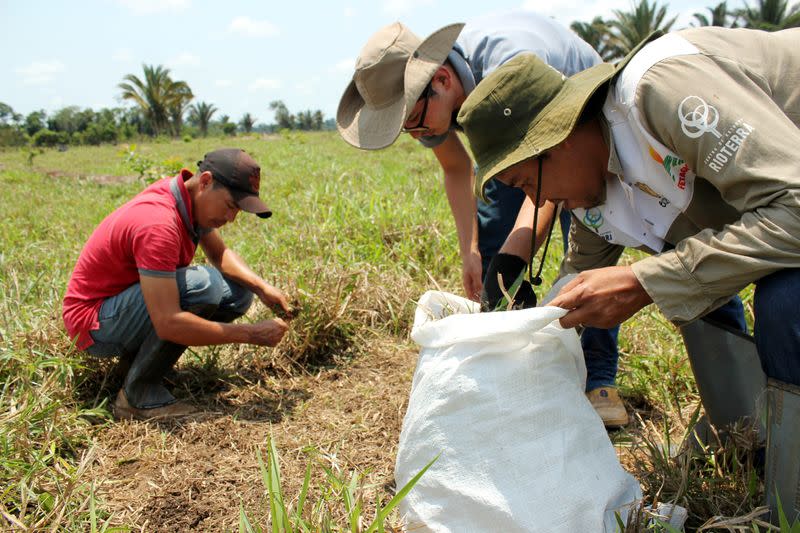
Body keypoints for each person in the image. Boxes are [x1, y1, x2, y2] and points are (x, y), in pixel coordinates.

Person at [456, 26, 800, 522]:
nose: (541, 203)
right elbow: (572, 289)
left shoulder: (662, 92)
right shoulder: (598, 192)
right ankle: (752, 438)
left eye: (525, 182)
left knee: (786, 302)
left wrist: (646, 282)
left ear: (557, 139)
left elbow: (794, 208)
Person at [337, 10, 631, 427]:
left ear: (440, 80)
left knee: (586, 246)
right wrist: (472, 251)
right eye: (405, 129)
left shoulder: (512, 64)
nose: (418, 135)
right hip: (507, 144)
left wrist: (517, 252)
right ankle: (512, 372)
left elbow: (551, 175)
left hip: (569, 131)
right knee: (497, 252)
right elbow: (458, 170)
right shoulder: (430, 104)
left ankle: (598, 379)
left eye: (415, 122)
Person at [63, 148, 292, 420]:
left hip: (124, 306)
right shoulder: (158, 223)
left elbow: (220, 255)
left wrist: (262, 287)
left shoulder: (188, 198)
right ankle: (138, 396)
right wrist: (252, 334)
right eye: (231, 206)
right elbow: (168, 322)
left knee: (239, 293)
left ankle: (136, 367)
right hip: (94, 322)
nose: (231, 219)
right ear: (205, 181)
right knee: (204, 286)